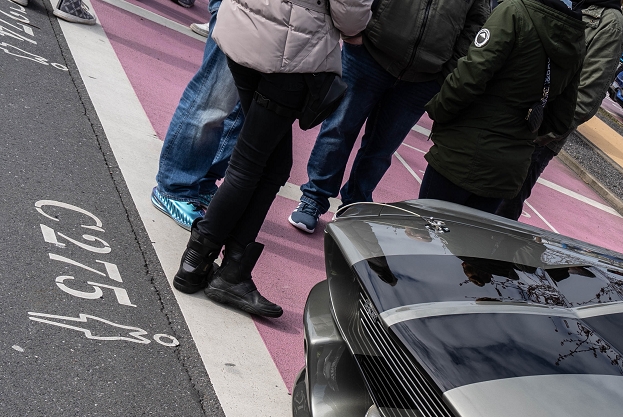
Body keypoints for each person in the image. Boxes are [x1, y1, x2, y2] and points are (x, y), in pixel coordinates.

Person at [172, 0, 374, 319]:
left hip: (245, 27)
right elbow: (350, 14)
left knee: (273, 164)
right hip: (289, 48)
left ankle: (225, 269)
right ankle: (200, 265)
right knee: (250, 164)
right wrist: (357, 29)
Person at [288, 0, 490, 233]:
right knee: (339, 129)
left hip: (424, 76)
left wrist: (447, 70)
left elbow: (477, 21)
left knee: (382, 149)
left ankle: (355, 206)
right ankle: (314, 198)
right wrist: (353, 30)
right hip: (369, 52)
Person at [419, 0, 585, 213]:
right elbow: (562, 118)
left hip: (463, 150)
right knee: (470, 234)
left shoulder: (513, 12)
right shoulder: (575, 37)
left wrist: (438, 109)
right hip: (510, 167)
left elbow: (470, 76)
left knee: (424, 226)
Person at [496, 0, 623, 223]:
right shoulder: (577, 6)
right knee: (484, 197)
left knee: (502, 208)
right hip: (514, 119)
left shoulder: (610, 24)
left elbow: (585, 99)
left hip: (536, 136)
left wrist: (542, 133)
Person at [152, 1, 245, 231]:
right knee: (214, 96)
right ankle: (175, 188)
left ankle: (202, 182)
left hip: (278, 20)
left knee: (241, 105)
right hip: (247, 10)